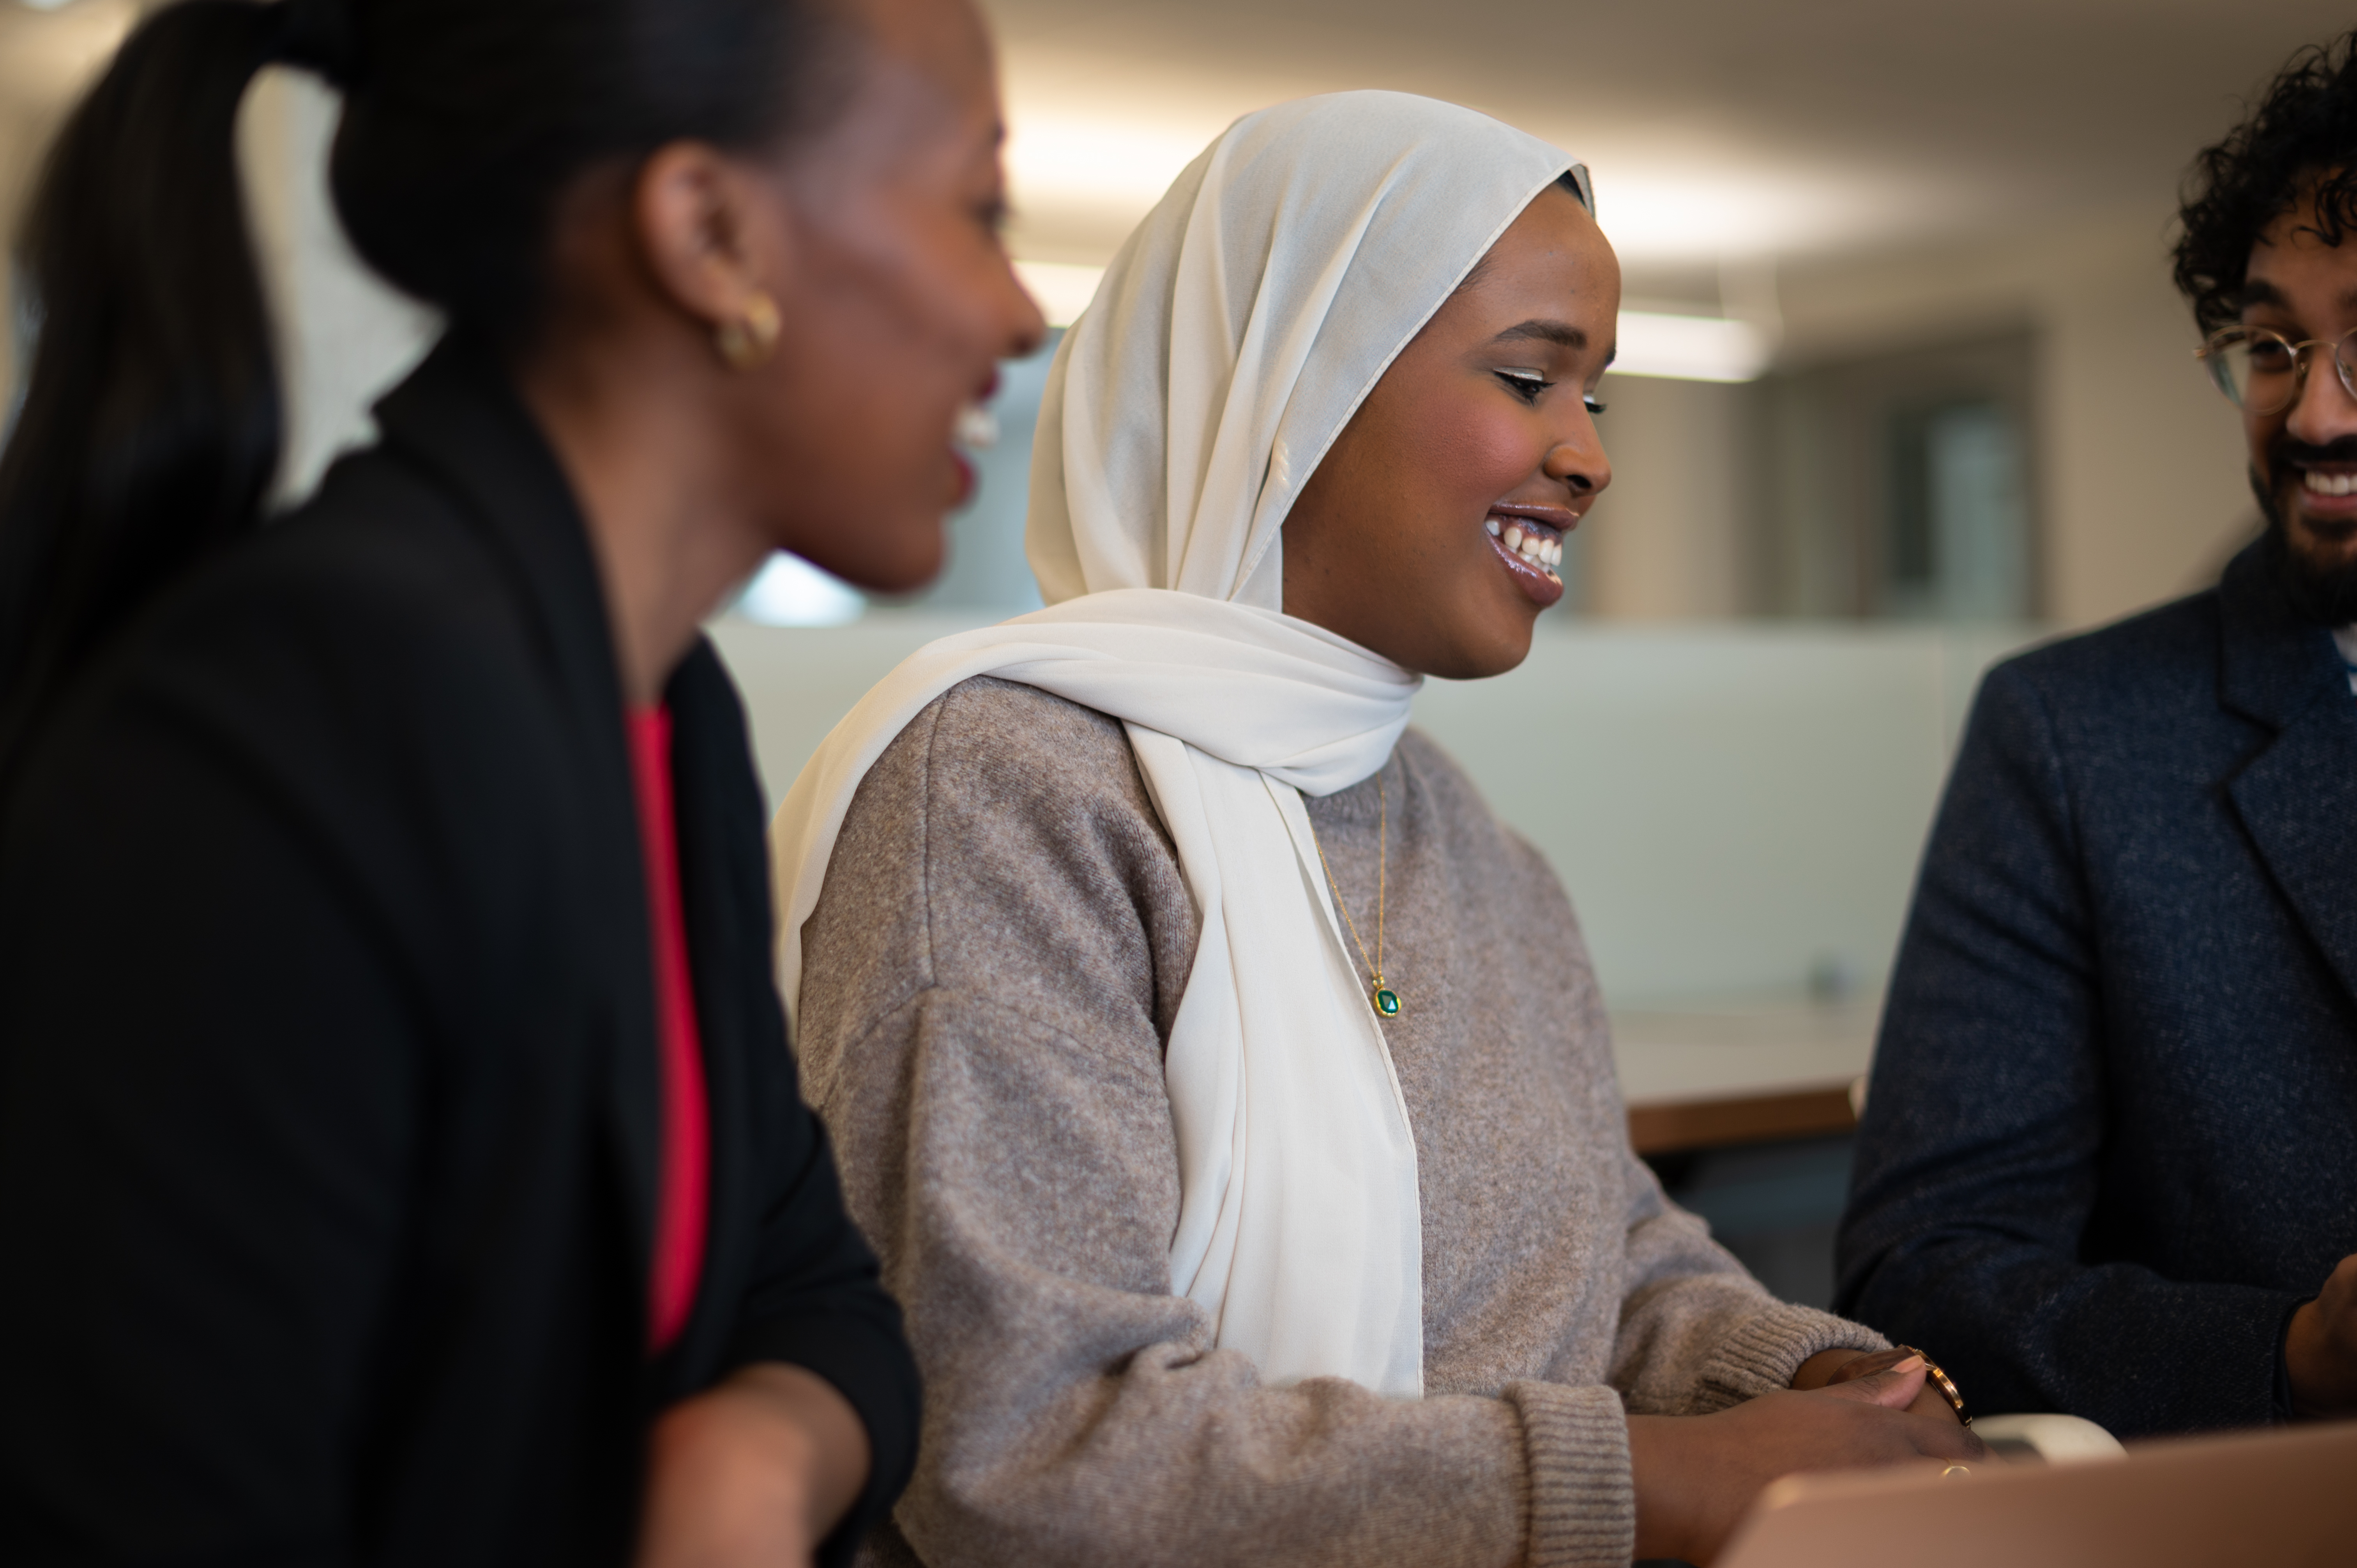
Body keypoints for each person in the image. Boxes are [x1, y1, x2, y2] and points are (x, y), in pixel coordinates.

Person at [771, 92, 1979, 1568]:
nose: (1588, 457)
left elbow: (1605, 1249)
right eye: (1532, 379)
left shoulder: (1462, 834)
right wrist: (1662, 1478)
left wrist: (1809, 1378)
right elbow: (1035, 1447)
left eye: (1596, 398)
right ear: (1296, 391)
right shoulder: (1008, 792)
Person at [0, 0, 1041, 1562]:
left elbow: (814, 1290)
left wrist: (748, 1457)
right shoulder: (293, 723)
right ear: (710, 233)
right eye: (977, 210)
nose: (1020, 313)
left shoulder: (657, 706)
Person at [1836, 35, 2357, 1438]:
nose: (2313, 411)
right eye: (2272, 346)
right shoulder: (2073, 739)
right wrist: (2292, 1357)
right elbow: (1923, 1281)